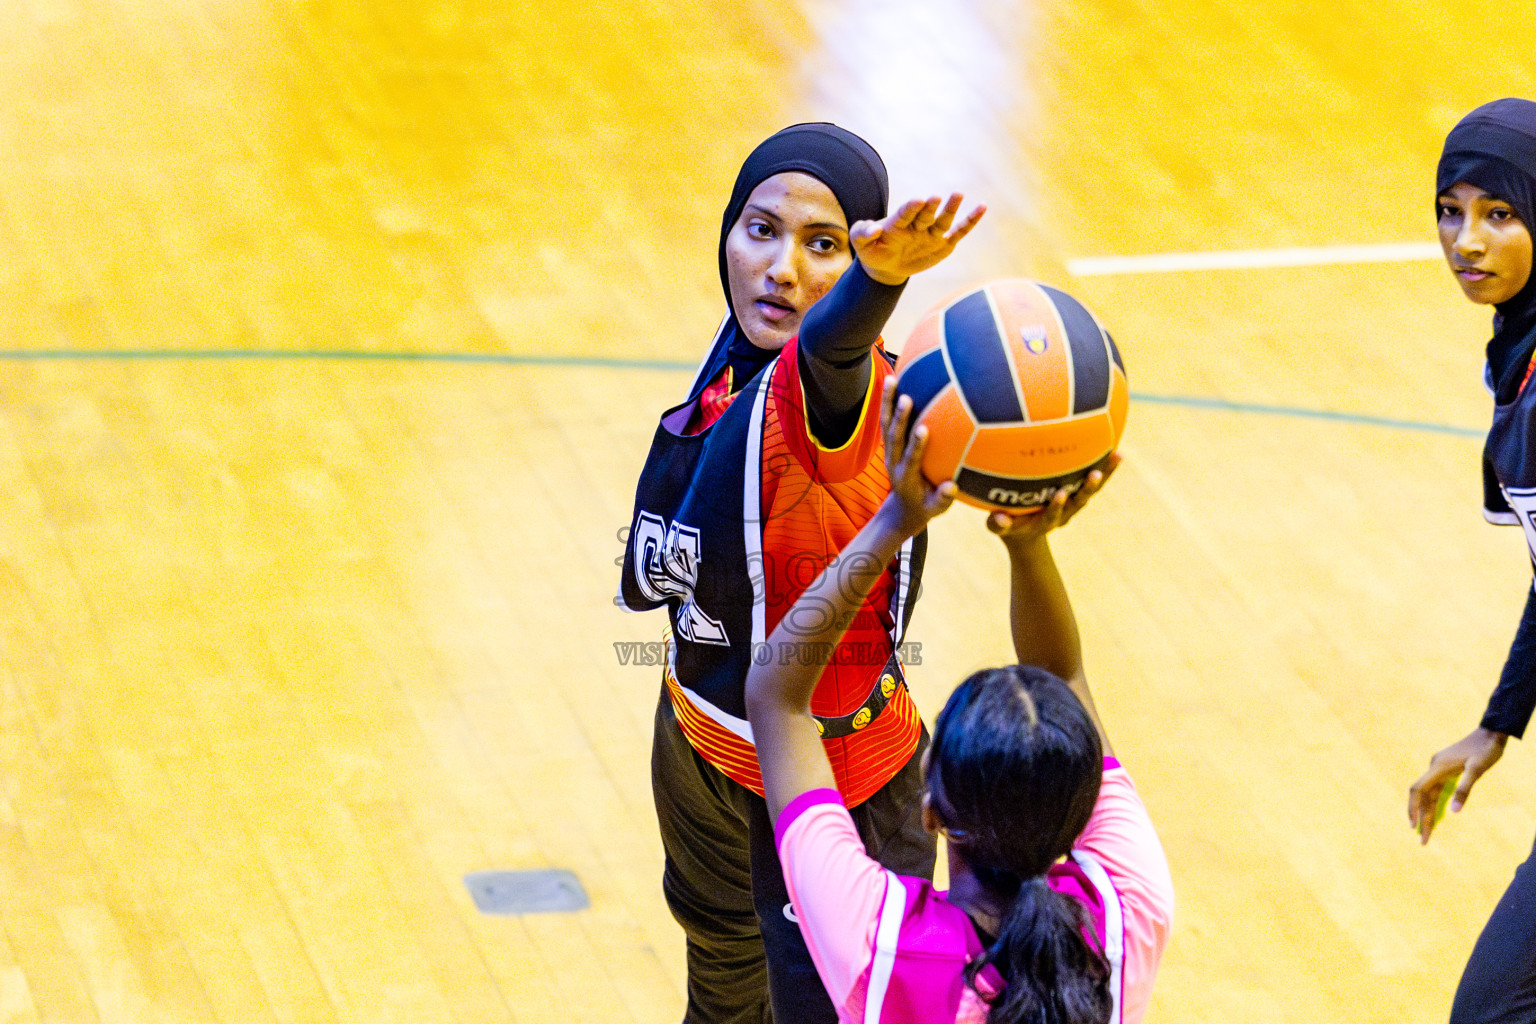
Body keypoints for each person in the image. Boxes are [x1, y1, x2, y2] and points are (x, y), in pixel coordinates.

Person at [617, 122, 985, 1022]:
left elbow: (832, 348)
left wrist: (878, 279)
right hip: (700, 743)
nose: (782, 268)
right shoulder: (733, 351)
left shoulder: (834, 392)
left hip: (830, 781)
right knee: (722, 989)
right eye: (760, 230)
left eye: (824, 246)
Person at [744, 383, 1174, 1024]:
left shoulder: (880, 942)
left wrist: (896, 518)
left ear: (929, 808)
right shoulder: (1126, 908)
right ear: (1088, 809)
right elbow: (1064, 672)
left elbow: (776, 698)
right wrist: (1030, 544)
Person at [1408, 97, 1536, 1023]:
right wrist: (1496, 726)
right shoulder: (1519, 352)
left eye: (1499, 214)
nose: (1467, 241)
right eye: (1450, 211)